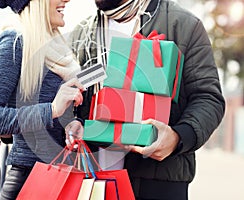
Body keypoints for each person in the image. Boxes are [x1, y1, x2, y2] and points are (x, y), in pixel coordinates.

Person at [68, 0, 226, 199]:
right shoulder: (82, 34)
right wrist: (72, 121)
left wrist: (177, 137)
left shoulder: (183, 25)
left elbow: (208, 98)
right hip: (91, 178)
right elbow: (74, 98)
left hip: (156, 181)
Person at [0, 0, 85, 199]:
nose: (67, 0)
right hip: (29, 180)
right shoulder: (14, 43)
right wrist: (50, 110)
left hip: (62, 179)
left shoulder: (58, 49)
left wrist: (73, 123)